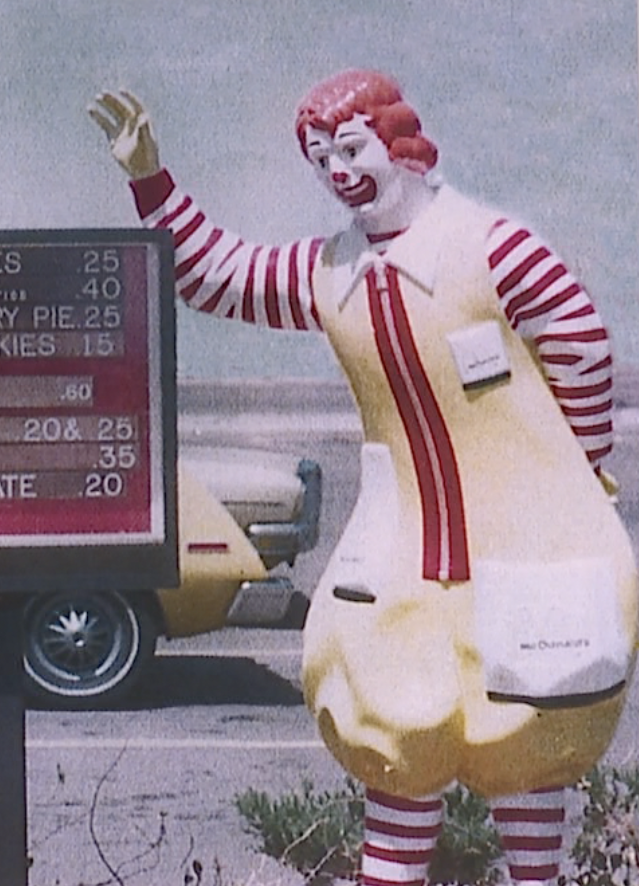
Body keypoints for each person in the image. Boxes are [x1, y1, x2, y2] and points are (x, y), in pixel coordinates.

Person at [89, 69, 638, 886]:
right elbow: (219, 276)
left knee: (531, 727)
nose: (339, 170)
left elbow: (582, 347)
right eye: (321, 159)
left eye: (352, 147)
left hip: (526, 545)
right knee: (396, 735)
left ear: (402, 142)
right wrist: (151, 181)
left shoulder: (494, 247)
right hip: (402, 553)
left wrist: (573, 472)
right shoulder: (332, 270)